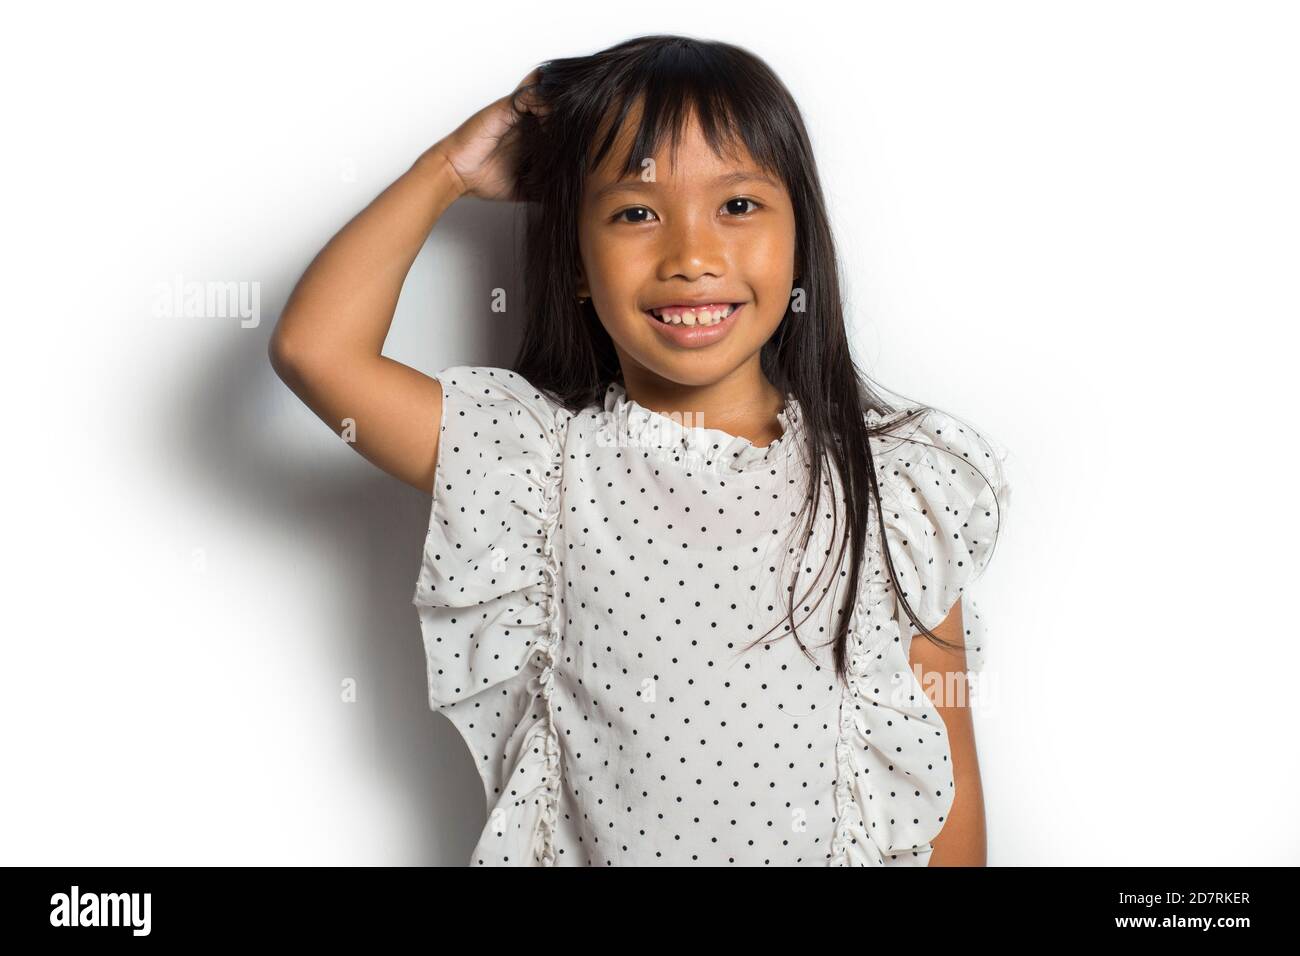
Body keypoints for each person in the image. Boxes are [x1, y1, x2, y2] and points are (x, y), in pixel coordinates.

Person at [270, 34, 1013, 867]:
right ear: (577, 265)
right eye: (635, 212)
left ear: (800, 236)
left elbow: (945, 778)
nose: (692, 257)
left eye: (737, 206)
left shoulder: (896, 485)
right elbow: (315, 351)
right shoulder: (536, 466)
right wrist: (446, 169)